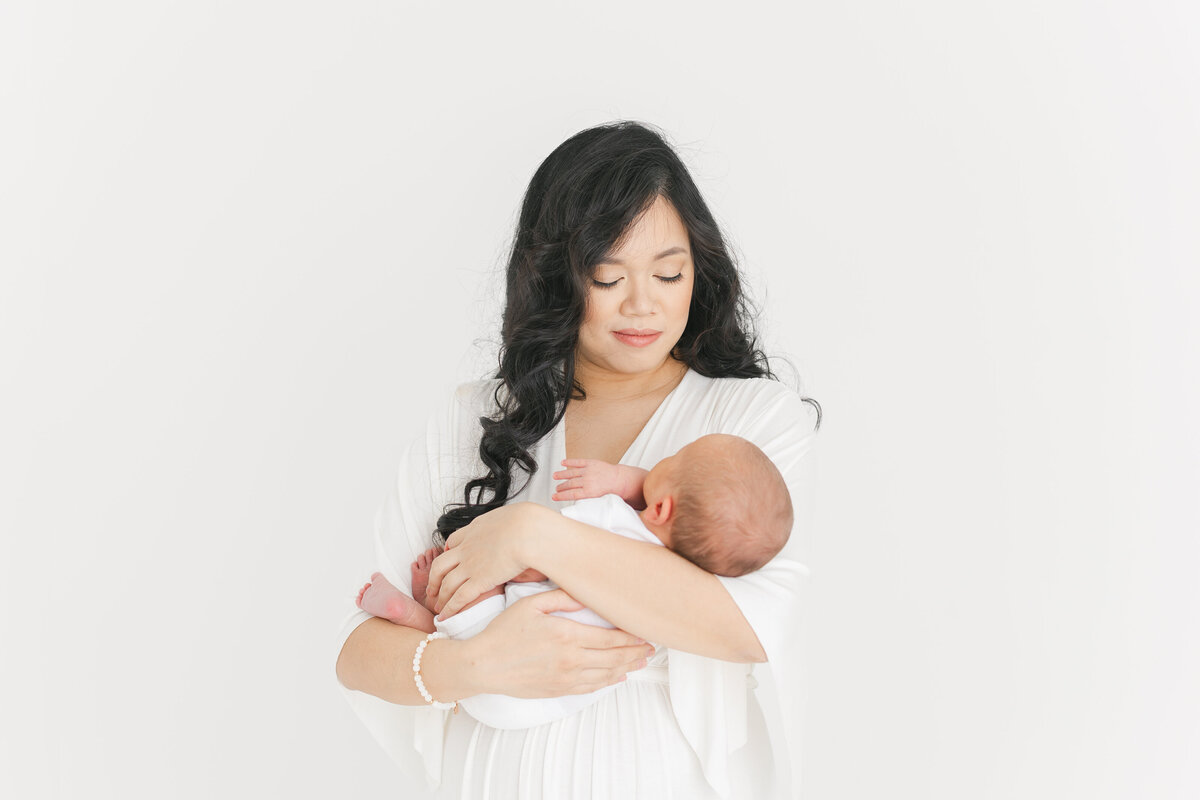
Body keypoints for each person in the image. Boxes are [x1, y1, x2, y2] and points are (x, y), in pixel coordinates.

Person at [334, 120, 822, 800]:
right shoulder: (474, 417)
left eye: (669, 272)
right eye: (606, 275)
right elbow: (357, 655)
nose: (642, 303)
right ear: (556, 278)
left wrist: (535, 535)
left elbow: (746, 626)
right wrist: (473, 664)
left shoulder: (746, 423)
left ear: (698, 271)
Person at [352, 433, 794, 730]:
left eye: (672, 460)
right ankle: (420, 616)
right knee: (483, 615)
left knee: (476, 590)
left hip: (513, 677)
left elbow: (544, 559)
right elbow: (658, 495)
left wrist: (522, 555)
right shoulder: (675, 575)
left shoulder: (611, 522)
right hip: (539, 702)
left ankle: (418, 611)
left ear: (660, 509)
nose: (658, 461)